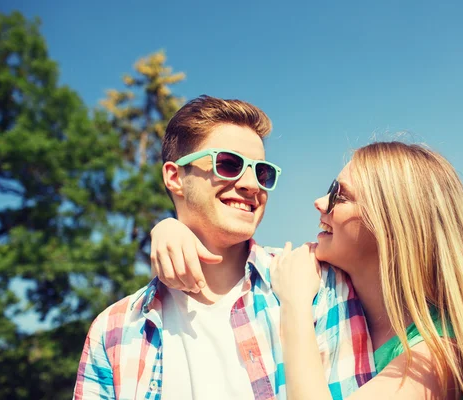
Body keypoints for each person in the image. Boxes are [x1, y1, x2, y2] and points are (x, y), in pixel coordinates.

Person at [152, 141, 463, 399]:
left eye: (341, 195)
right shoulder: (341, 299)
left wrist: (296, 307)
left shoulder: (438, 357)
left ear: (393, 223)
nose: (319, 203)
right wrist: (172, 227)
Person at [73, 95, 374, 400]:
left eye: (262, 172)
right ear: (175, 177)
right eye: (228, 164)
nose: (251, 184)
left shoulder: (320, 289)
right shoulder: (113, 330)